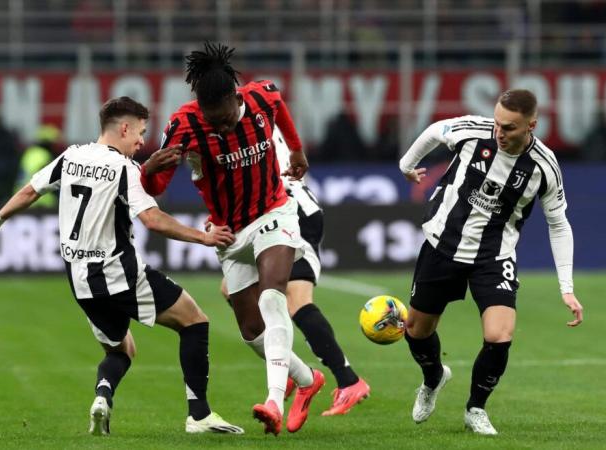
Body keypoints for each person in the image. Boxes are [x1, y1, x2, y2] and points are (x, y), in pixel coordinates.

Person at [0, 96, 243, 436]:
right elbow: (152, 219)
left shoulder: (71, 156)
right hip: (117, 272)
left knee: (122, 349)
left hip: (80, 280)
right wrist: (203, 238)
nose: (143, 142)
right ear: (124, 127)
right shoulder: (124, 169)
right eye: (141, 133)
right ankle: (199, 416)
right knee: (195, 322)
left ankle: (102, 397)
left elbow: (30, 190)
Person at [141, 42, 323, 436]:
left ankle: (274, 401)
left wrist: (296, 151)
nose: (221, 128)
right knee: (251, 330)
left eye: (224, 119)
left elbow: (279, 107)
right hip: (228, 232)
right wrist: (147, 170)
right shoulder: (184, 125)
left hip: (274, 211)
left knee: (273, 297)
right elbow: (156, 187)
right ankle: (308, 379)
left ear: (235, 98)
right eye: (213, 122)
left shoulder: (260, 97)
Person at [397, 89, 584, 435]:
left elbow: (559, 224)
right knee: (417, 330)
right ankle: (434, 377)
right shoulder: (473, 130)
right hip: (443, 244)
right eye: (498, 123)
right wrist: (406, 165)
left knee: (500, 335)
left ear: (531, 126)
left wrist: (567, 287)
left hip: (494, 256)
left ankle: (475, 409)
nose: (499, 132)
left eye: (509, 128)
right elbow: (436, 130)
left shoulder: (544, 166)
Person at [217, 126, 370, 415]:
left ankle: (348, 380)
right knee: (232, 290)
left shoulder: (242, 123)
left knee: (296, 299)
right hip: (273, 207)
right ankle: (290, 368)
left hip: (289, 207)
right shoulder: (254, 116)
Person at [15, 124, 62, 207]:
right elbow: (45, 177)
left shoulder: (30, 152)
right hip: (40, 200)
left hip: (22, 197)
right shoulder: (42, 155)